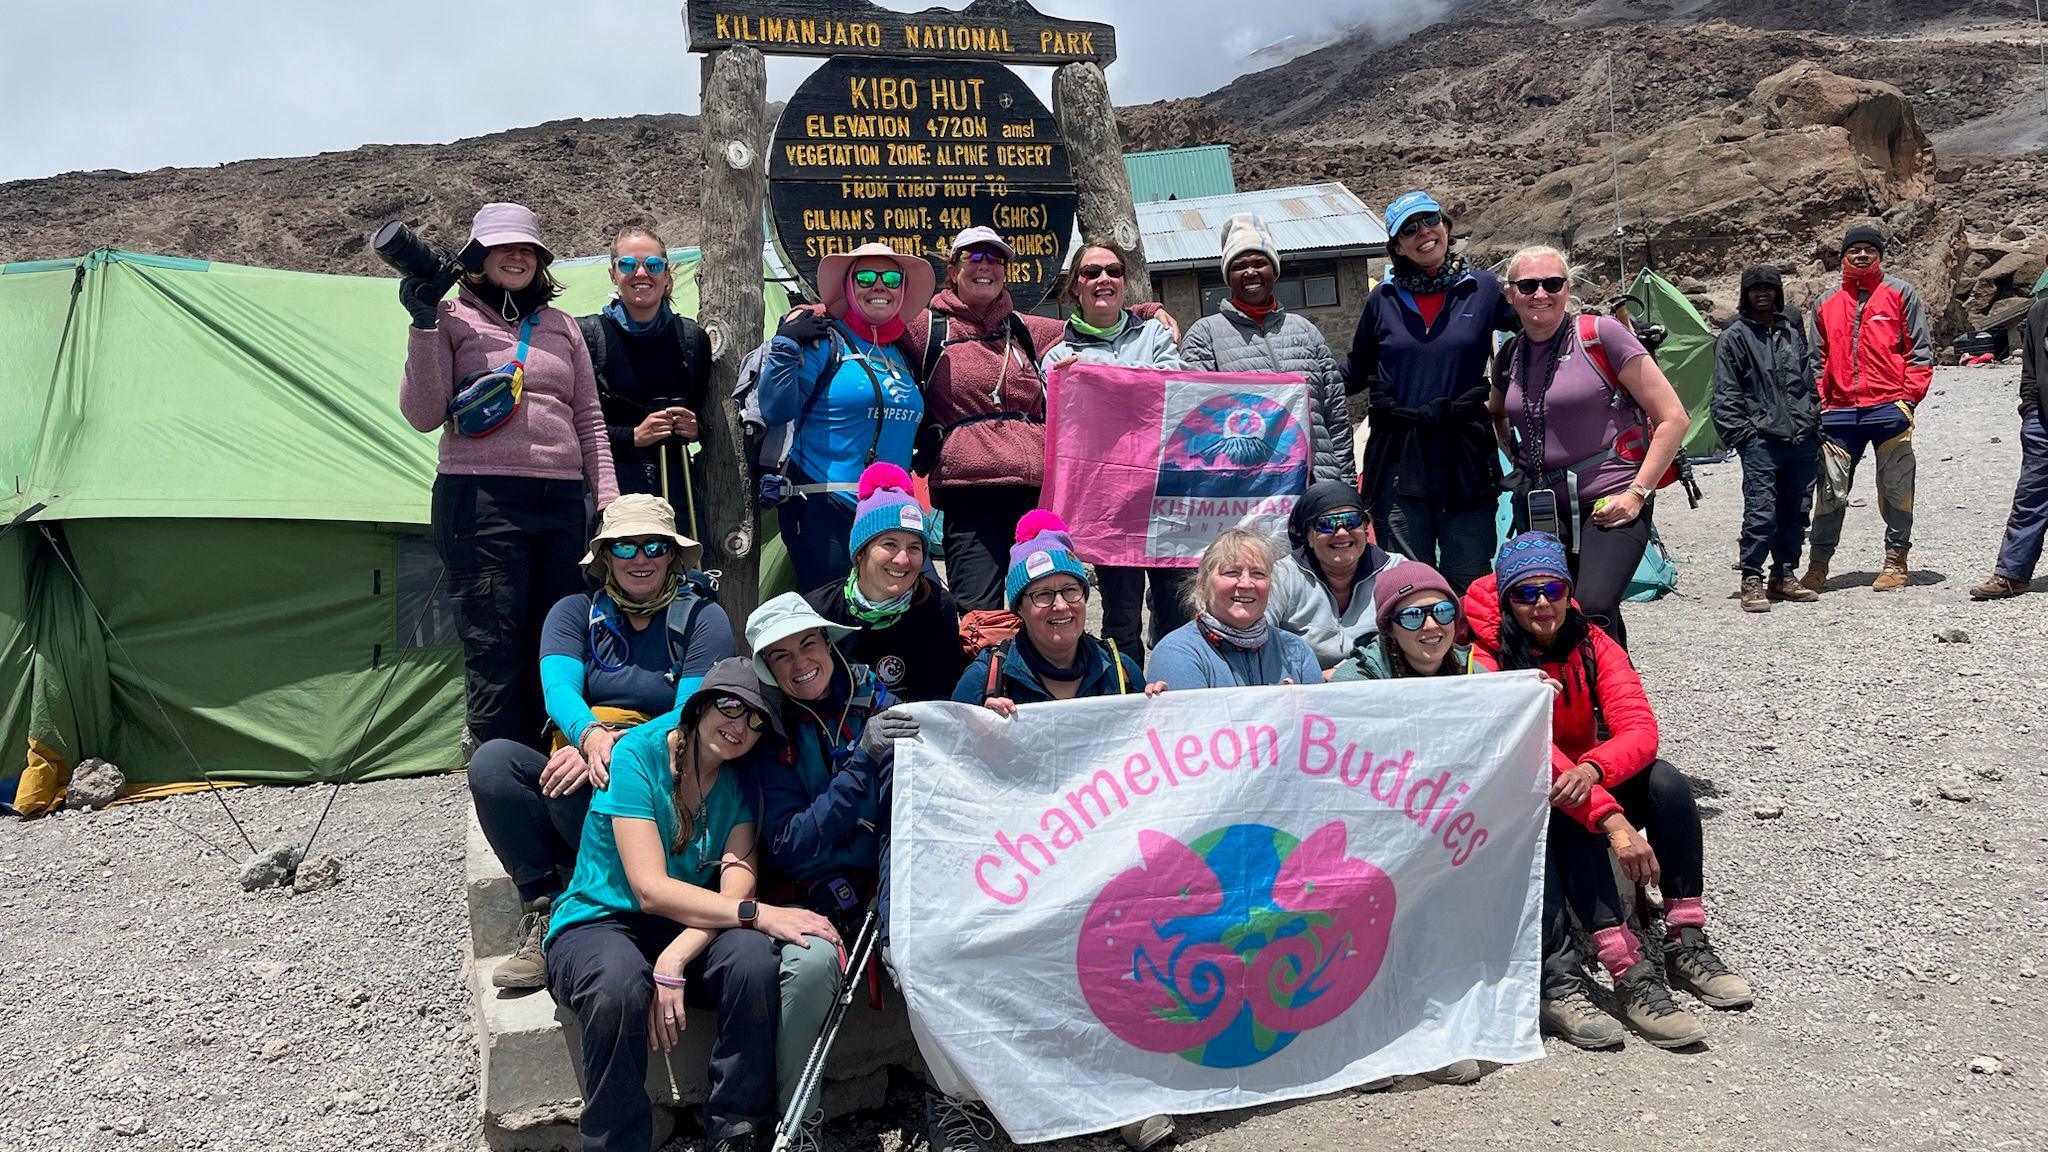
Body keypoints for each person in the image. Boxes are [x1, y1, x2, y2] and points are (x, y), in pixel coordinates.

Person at [1465, 533, 1751, 1050]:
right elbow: (1529, 749)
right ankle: (1625, 965)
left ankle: (1685, 936)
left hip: (1583, 773)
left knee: (1667, 782)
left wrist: (1595, 770)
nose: (1541, 603)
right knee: (1566, 812)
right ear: (1506, 598)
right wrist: (1613, 821)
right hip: (1531, 785)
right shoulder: (1487, 657)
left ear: (1568, 589)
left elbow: (1639, 727)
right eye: (1525, 594)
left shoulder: (1593, 641)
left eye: (1552, 588)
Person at [543, 659, 842, 1152]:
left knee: (750, 960)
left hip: (687, 924)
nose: (740, 726)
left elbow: (734, 891)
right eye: (730, 706)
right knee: (618, 986)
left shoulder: (742, 779)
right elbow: (650, 889)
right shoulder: (637, 756)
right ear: (699, 705)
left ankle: (737, 1127)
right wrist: (763, 915)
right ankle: (615, 1142)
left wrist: (675, 956)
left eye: (756, 720)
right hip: (602, 918)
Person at [949, 510, 1171, 1151]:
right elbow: (949, 777)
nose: (1059, 605)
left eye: (1070, 591)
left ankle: (1126, 1090)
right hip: (1025, 862)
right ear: (1020, 606)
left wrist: (1157, 711)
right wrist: (978, 731)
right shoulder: (985, 677)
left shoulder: (1123, 668)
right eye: (1042, 595)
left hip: (1107, 856)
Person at [743, 595, 980, 1152]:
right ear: (768, 671)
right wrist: (862, 763)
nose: (801, 662)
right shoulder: (768, 733)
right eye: (781, 656)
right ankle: (798, 1119)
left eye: (808, 644)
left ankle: (956, 1107)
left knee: (942, 947)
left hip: (896, 882)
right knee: (807, 967)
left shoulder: (879, 700)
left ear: (829, 644)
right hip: (813, 891)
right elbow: (791, 843)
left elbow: (926, 789)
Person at [470, 495, 735, 989]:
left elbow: (690, 712)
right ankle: (547, 903)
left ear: (673, 555)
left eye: (655, 546)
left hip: (660, 771)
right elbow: (559, 691)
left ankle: (613, 900)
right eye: (626, 547)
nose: (642, 558)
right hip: (583, 754)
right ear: (605, 555)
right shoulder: (573, 614)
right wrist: (590, 736)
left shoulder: (703, 619)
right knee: (493, 764)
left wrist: (615, 743)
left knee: (602, 777)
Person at [398, 202, 619, 753]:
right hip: (481, 497)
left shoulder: (563, 326)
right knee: (494, 641)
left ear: (541, 261)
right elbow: (424, 414)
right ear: (479, 255)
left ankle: (559, 772)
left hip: (564, 498)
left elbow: (588, 416)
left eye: (528, 248)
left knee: (558, 636)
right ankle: (500, 779)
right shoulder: (449, 317)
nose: (516, 256)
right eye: (503, 246)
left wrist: (609, 498)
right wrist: (423, 325)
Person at [1488, 246, 1690, 648]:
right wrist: (1515, 455)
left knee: (1593, 604)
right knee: (1552, 613)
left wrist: (1637, 494)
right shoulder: (1510, 354)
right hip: (1543, 506)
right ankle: (1607, 700)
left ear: (1569, 288)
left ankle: (1613, 705)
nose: (1540, 294)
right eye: (1528, 285)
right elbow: (1497, 411)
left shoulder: (1600, 335)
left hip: (1611, 501)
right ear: (1510, 295)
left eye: (1552, 284)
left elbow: (1674, 418)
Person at [1347, 191, 1514, 593]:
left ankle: (1471, 655)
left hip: (1465, 455)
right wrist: (1295, 381)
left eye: (1430, 220)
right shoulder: (1381, 300)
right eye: (1409, 229)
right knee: (1409, 581)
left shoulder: (1484, 288)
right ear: (1397, 246)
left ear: (1446, 226)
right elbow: (1355, 370)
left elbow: (1536, 333)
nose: (1424, 232)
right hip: (1399, 457)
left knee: (1469, 576)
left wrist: (1596, 338)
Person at [912, 227, 1073, 612]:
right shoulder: (927, 325)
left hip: (1035, 493)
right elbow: (870, 314)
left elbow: (1092, 324)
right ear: (953, 269)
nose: (985, 266)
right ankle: (981, 675)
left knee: (1044, 606)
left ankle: (1029, 675)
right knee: (978, 614)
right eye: (974, 257)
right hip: (971, 496)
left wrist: (1149, 312)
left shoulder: (1023, 328)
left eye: (995, 258)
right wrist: (809, 312)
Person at [1040, 237, 1188, 655]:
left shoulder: (1157, 335)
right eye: (1091, 272)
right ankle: (1124, 698)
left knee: (1176, 612)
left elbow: (1169, 391)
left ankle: (1177, 698)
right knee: (1121, 618)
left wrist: (1096, 373)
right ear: (1075, 286)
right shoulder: (1058, 359)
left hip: (1162, 496)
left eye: (1113, 271)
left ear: (1125, 281)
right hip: (1108, 504)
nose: (1103, 279)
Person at [760, 241, 932, 592]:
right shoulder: (825, 342)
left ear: (903, 289)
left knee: (922, 616)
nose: (879, 286)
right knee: (841, 627)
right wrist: (785, 346)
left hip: (895, 516)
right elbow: (776, 410)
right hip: (826, 509)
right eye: (866, 277)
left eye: (891, 279)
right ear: (849, 288)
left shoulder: (902, 353)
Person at [1800, 223, 1934, 594]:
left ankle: (1896, 559)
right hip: (1839, 413)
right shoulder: (1826, 302)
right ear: (1843, 256)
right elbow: (1816, 358)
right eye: (1854, 250)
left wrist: (1908, 401)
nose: (1861, 256)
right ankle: (1818, 565)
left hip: (1888, 409)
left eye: (1868, 250)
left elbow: (1919, 352)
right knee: (1830, 491)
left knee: (1896, 486)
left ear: (1879, 255)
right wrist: (1820, 402)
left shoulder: (1900, 293)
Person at [1180, 212, 1356, 487]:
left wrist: (1343, 486)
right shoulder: (1206, 336)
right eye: (1239, 266)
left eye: (1260, 263)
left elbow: (1336, 415)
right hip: (1247, 491)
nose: (1250, 272)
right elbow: (1196, 420)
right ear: (1228, 276)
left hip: (1314, 484)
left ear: (1274, 270)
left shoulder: (1306, 332)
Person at [576, 225, 714, 519]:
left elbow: (706, 414)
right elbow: (571, 425)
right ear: (613, 274)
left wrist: (695, 428)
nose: (641, 273)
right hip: (608, 486)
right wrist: (634, 435)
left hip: (677, 485)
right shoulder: (586, 336)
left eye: (653, 265)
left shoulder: (692, 339)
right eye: (628, 264)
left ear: (666, 274)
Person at [803, 462, 967, 702]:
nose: (902, 560)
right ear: (860, 553)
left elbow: (939, 696)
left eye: (914, 548)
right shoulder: (819, 611)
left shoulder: (936, 604)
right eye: (889, 544)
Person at [1711, 265, 1823, 612]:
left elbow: (1807, 381)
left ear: (1778, 293)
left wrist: (1813, 421)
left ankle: (1784, 573)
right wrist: (1743, 437)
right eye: (1755, 288)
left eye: (1769, 288)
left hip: (1800, 437)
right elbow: (1725, 392)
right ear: (1745, 294)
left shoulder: (1790, 332)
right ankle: (1752, 577)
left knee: (1796, 510)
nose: (1762, 294)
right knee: (1762, 511)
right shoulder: (1733, 337)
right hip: (1761, 440)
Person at [1147, 527, 1322, 690]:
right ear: (1202, 584)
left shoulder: (1296, 651)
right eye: (1231, 572)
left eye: (1258, 573)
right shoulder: (1176, 652)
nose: (1246, 584)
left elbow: (1321, 718)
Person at [1266, 480, 1405, 676]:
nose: (1341, 532)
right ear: (1309, 535)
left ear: (1365, 528)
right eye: (1326, 524)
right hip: (1301, 688)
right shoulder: (1282, 576)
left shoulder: (1398, 570)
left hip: (1376, 683)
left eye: (1352, 521)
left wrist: (1345, 673)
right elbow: (1257, 636)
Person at [1972, 272, 2048, 600]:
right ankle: (2012, 574)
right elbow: (2030, 370)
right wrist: (2030, 413)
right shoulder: (2039, 312)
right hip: (2043, 423)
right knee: (2030, 498)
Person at [1332, 560, 1473, 680]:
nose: (1431, 625)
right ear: (1389, 629)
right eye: (1412, 616)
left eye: (1442, 611)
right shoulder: (1352, 683)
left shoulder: (1474, 675)